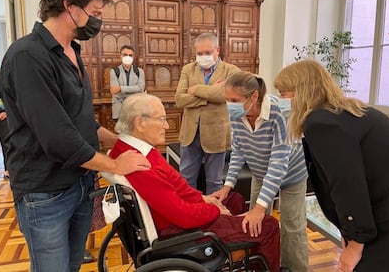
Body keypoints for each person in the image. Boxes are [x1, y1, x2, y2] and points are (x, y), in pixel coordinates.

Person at [0, 0, 150, 272]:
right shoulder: (28, 56)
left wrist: (118, 139)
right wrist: (115, 165)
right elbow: (58, 138)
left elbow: (78, 122)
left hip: (80, 181)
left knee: (71, 265)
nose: (98, 19)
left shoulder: (72, 51)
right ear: (70, 5)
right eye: (94, 10)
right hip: (46, 191)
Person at [109, 93, 281, 272]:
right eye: (162, 119)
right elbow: (181, 215)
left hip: (175, 220)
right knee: (268, 226)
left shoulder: (132, 150)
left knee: (234, 200)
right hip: (178, 233)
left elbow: (178, 187)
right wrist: (215, 211)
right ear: (140, 123)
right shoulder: (138, 163)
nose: (167, 125)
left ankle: (245, 252)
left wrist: (204, 199)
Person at [273, 59, 389, 272]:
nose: (280, 100)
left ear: (301, 91)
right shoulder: (344, 112)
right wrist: (349, 233)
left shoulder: (320, 122)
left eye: (283, 93)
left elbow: (346, 184)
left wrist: (355, 242)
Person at [211, 71, 308, 271]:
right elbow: (238, 151)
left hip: (292, 173)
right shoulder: (238, 115)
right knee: (255, 225)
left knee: (292, 228)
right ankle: (263, 265)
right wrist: (227, 186)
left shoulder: (280, 113)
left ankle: (295, 268)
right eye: (227, 99)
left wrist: (259, 207)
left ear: (254, 96)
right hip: (260, 172)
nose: (230, 105)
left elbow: (278, 162)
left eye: (234, 100)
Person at [175, 32, 240, 194]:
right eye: (199, 53)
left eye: (207, 53)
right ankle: (189, 215)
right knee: (186, 179)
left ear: (217, 50)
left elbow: (224, 96)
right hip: (190, 133)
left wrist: (196, 90)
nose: (203, 56)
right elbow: (179, 100)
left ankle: (214, 215)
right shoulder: (188, 69)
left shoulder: (231, 71)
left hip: (216, 134)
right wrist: (210, 93)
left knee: (214, 182)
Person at [110, 44, 145, 122]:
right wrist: (134, 91)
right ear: (120, 56)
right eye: (125, 55)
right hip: (119, 109)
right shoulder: (114, 71)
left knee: (135, 133)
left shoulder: (139, 71)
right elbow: (114, 91)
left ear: (133, 57)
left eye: (130, 55)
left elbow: (140, 88)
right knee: (120, 133)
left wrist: (121, 88)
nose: (128, 57)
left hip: (135, 108)